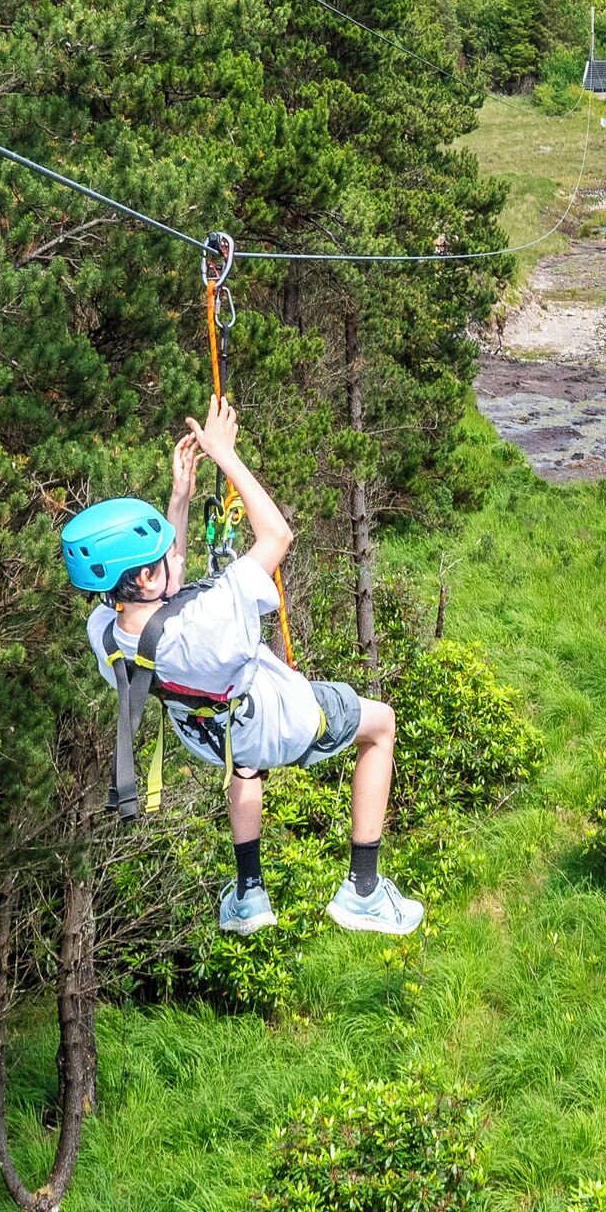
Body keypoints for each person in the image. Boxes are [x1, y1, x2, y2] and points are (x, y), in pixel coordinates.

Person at [61, 396, 424, 938]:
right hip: (282, 719)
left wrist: (180, 497)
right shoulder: (211, 621)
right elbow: (277, 536)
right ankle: (364, 890)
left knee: (246, 765)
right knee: (381, 725)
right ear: (141, 579)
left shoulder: (107, 632)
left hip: (210, 735)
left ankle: (250, 893)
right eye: (157, 556)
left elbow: (170, 587)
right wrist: (226, 456)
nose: (168, 559)